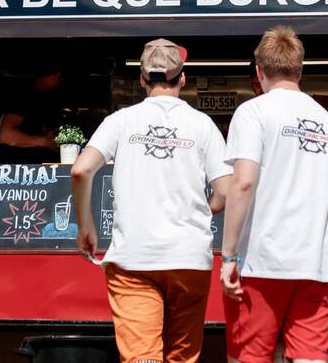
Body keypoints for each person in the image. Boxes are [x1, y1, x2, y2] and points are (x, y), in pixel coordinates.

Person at [71, 39, 232, 363]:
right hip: (189, 259)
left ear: (143, 80)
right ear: (182, 79)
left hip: (134, 259)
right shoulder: (202, 125)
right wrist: (209, 207)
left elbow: (80, 170)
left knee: (142, 357)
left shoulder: (121, 121)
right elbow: (226, 189)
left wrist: (85, 226)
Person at [220, 26, 328, 363]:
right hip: (317, 262)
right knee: (309, 357)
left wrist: (228, 256)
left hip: (263, 260)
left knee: (250, 357)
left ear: (259, 71)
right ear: (300, 69)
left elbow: (243, 183)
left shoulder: (254, 112)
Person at [0, 62, 69, 164]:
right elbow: (5, 135)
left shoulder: (47, 100)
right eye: (63, 78)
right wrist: (45, 141)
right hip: (16, 172)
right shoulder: (24, 94)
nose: (62, 82)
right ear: (57, 75)